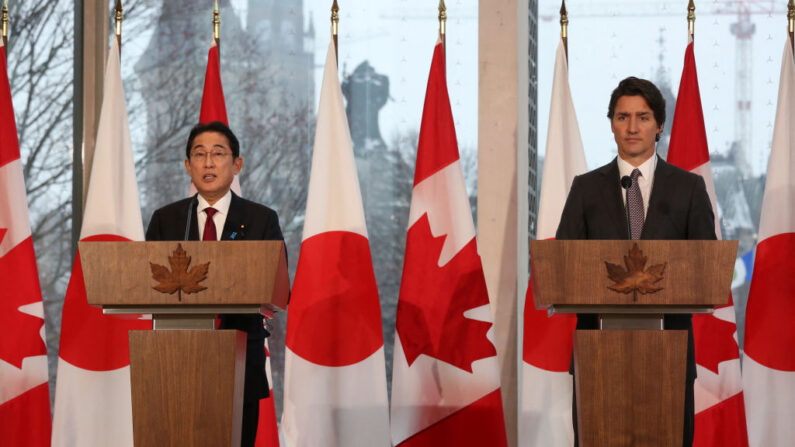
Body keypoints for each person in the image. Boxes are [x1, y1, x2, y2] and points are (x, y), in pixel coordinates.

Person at [555, 77, 716, 447]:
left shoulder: (688, 189)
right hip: (598, 354)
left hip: (669, 355)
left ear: (660, 124)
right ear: (611, 122)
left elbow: (706, 265)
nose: (631, 127)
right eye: (622, 116)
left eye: (642, 117)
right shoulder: (585, 188)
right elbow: (562, 265)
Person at [146, 121, 284, 447]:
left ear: (237, 164)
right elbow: (145, 283)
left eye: (218, 153)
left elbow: (278, 288)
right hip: (175, 360)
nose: (208, 162)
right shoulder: (166, 220)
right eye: (199, 154)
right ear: (187, 166)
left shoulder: (262, 219)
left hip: (239, 358)